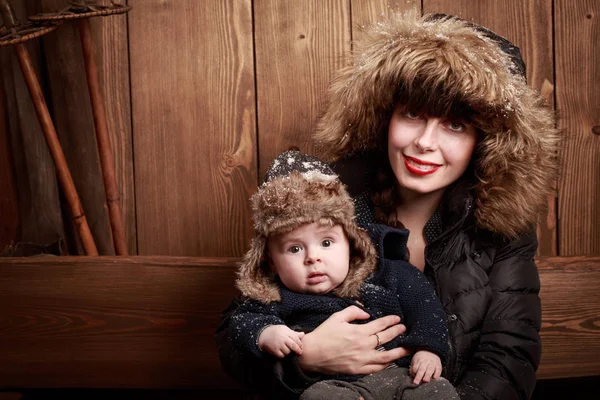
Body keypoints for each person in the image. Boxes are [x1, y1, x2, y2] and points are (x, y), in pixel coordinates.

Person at [216, 10, 560, 400]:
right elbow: (237, 332)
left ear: (486, 142)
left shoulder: (501, 228)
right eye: (413, 114)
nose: (425, 142)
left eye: (455, 125)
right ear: (385, 116)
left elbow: (508, 357)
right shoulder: (327, 198)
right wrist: (303, 359)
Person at [228, 150, 458, 399]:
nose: (313, 258)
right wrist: (266, 334)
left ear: (351, 243)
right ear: (271, 263)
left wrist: (428, 349)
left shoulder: (389, 273)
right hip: (335, 385)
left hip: (402, 375)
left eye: (326, 243)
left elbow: (424, 306)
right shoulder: (275, 297)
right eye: (294, 248)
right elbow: (242, 322)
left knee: (438, 390)